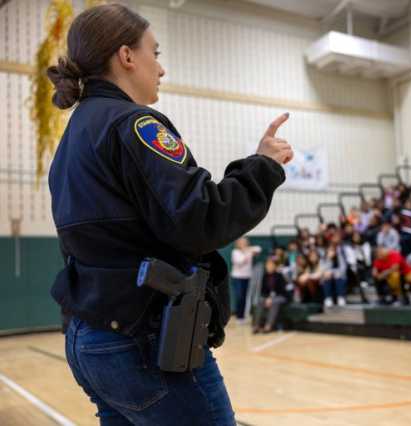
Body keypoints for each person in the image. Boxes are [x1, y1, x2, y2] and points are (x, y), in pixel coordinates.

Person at [46, 5, 292, 425]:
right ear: (126, 56)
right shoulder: (135, 123)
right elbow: (199, 219)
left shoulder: (75, 135)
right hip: (143, 340)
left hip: (89, 336)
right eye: (154, 53)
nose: (160, 69)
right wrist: (263, 167)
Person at [253, 257, 288, 334]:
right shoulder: (265, 276)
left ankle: (268, 326)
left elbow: (282, 291)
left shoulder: (279, 276)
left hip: (280, 296)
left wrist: (271, 298)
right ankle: (256, 326)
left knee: (274, 302)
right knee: (260, 301)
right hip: (268, 297)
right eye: (267, 265)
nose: (268, 266)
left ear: (275, 266)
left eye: (270, 265)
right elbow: (263, 291)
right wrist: (267, 298)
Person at [230, 237, 262, 324]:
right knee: (239, 297)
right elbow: (240, 262)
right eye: (242, 242)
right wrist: (247, 253)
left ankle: (242, 317)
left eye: (245, 242)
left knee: (244, 297)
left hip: (247, 277)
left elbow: (259, 249)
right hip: (237, 277)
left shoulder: (249, 250)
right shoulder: (235, 252)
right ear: (238, 243)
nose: (243, 244)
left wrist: (247, 250)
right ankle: (239, 316)